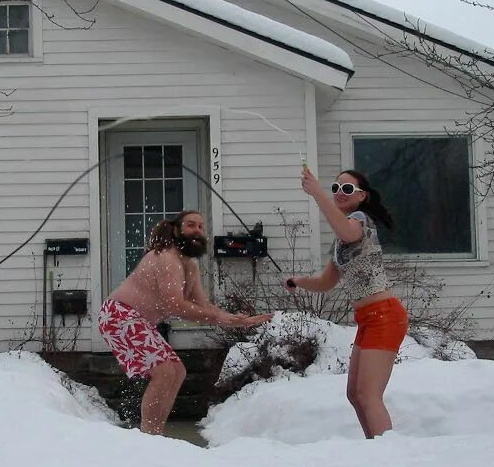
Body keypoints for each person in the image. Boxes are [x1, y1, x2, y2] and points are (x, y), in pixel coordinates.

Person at [99, 210, 273, 435]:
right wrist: (217, 317)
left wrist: (236, 320)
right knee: (164, 371)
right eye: (191, 225)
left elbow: (203, 307)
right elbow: (175, 305)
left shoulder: (189, 265)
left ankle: (155, 432)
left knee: (177, 371)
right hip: (118, 315)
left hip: (133, 319)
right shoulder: (167, 257)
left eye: (201, 227)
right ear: (176, 230)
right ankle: (149, 436)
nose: (197, 231)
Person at [286, 169, 408, 438]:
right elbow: (326, 282)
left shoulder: (359, 221)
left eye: (347, 189)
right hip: (368, 319)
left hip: (386, 316)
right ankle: (374, 447)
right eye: (335, 187)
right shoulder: (342, 240)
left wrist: (317, 192)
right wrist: (299, 280)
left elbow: (348, 230)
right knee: (355, 394)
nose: (340, 192)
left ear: (362, 196)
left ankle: (389, 455)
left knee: (368, 395)